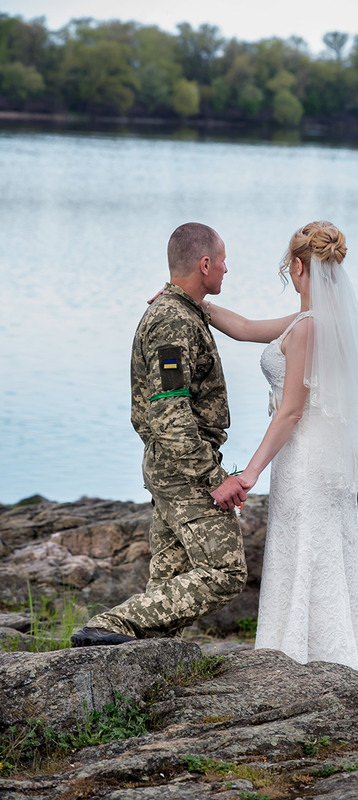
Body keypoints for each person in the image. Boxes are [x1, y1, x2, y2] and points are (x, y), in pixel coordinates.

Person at [209, 221, 358, 678]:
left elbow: (290, 413)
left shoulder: (307, 327)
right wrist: (195, 302)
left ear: (299, 265)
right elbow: (246, 328)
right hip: (324, 458)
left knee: (307, 548)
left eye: (290, 262)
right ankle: (338, 660)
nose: (288, 269)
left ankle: (305, 661)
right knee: (322, 549)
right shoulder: (319, 322)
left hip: (305, 458)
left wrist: (248, 473)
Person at [71, 222, 249, 647]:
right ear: (205, 264)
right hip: (183, 468)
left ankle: (133, 661)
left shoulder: (182, 310)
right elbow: (170, 412)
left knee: (171, 577)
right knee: (226, 573)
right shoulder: (172, 320)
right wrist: (214, 479)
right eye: (222, 260)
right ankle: (110, 625)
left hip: (170, 464)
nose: (227, 268)